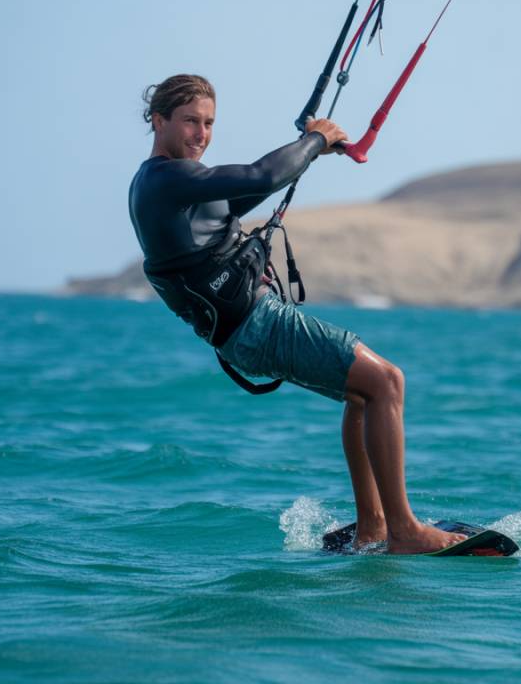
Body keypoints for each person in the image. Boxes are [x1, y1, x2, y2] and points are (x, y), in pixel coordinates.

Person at [128, 74, 464, 554]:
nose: (201, 134)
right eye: (189, 122)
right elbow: (260, 177)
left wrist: (307, 149)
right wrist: (316, 139)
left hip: (243, 332)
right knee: (388, 382)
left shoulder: (168, 185)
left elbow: (250, 189)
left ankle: (373, 526)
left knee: (364, 396)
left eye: (208, 124)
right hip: (256, 324)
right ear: (158, 120)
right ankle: (406, 531)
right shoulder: (167, 179)